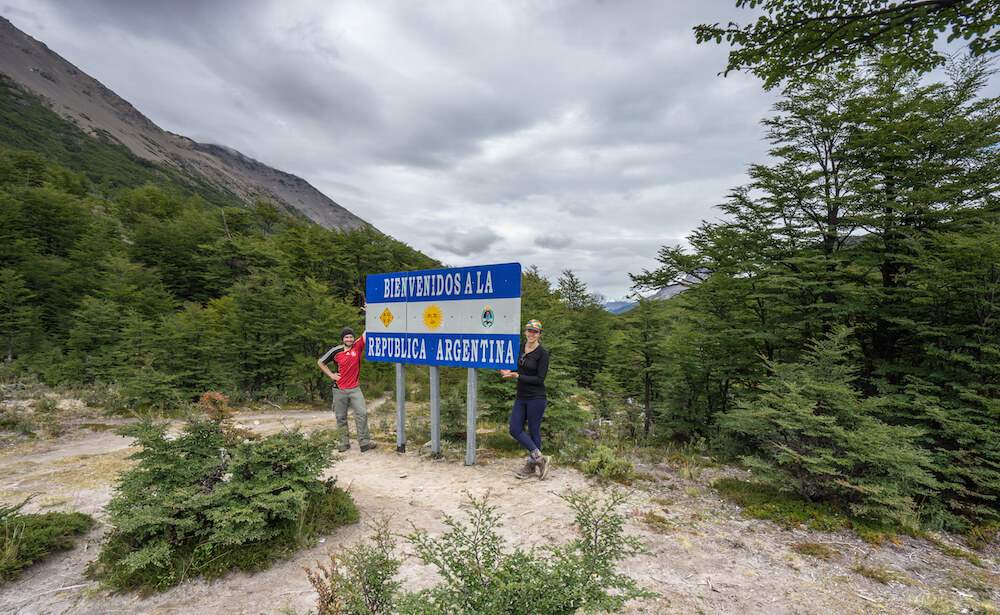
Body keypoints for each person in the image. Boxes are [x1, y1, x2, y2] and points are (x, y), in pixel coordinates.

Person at [501, 319, 551, 479]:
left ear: (539, 334)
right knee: (514, 429)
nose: (531, 334)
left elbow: (539, 378)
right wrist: (509, 371)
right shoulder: (520, 347)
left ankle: (531, 466)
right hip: (521, 396)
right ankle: (540, 458)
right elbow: (517, 365)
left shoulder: (542, 353)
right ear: (525, 332)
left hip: (536, 397)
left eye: (535, 332)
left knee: (534, 431)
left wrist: (518, 376)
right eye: (529, 330)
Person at [318, 324, 376, 453]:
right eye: (346, 337)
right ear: (342, 339)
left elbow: (367, 331)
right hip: (339, 389)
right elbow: (320, 362)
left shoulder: (358, 346)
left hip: (355, 388)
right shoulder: (336, 351)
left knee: (362, 413)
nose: (349, 339)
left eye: (351, 337)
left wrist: (369, 313)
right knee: (340, 416)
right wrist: (331, 375)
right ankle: (343, 443)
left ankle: (364, 443)